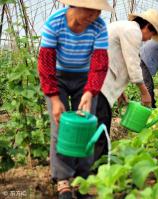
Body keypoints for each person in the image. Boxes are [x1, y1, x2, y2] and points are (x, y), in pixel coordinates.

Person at [37, 0, 112, 198]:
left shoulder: (99, 27)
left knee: (86, 125)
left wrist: (90, 91)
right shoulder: (54, 23)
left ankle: (82, 178)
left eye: (97, 11)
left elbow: (100, 63)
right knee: (60, 125)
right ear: (73, 5)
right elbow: (46, 63)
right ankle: (62, 178)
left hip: (86, 78)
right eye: (89, 10)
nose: (93, 16)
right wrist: (53, 98)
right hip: (58, 78)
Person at [94, 9, 158, 162]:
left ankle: (99, 166)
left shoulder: (125, 27)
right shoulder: (133, 31)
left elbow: (116, 56)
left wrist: (119, 91)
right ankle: (97, 172)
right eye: (151, 35)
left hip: (99, 80)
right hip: (99, 82)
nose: (148, 39)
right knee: (100, 127)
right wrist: (145, 93)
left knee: (101, 123)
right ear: (148, 27)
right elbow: (132, 64)